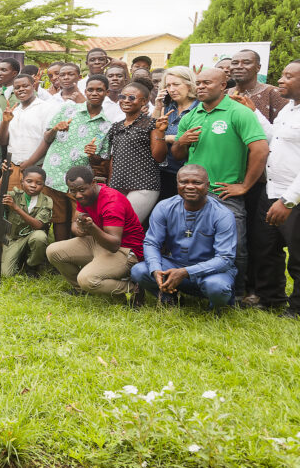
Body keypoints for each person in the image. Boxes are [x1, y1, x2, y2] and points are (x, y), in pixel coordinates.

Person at [171, 68, 268, 297]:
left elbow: (260, 150)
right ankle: (196, 288)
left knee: (236, 246)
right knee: (193, 242)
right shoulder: (191, 116)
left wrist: (244, 185)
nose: (201, 87)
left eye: (207, 82)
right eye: (198, 83)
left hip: (224, 193)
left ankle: (239, 292)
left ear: (223, 85)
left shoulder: (239, 112)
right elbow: (177, 154)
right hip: (192, 194)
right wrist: (181, 142)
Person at [128, 164, 236, 309]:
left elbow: (225, 259)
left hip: (210, 272)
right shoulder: (164, 207)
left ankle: (217, 307)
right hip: (176, 265)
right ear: (177, 184)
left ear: (207, 185)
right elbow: (151, 243)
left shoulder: (222, 215)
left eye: (196, 182)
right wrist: (156, 269)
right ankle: (170, 298)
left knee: (217, 287)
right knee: (139, 271)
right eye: (184, 182)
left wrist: (186, 272)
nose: (190, 186)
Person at [26, 75, 113, 242]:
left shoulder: (107, 124)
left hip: (79, 182)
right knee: (57, 219)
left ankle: (74, 258)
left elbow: (100, 161)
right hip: (54, 174)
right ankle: (56, 259)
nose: (94, 93)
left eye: (99, 90)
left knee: (79, 220)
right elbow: (47, 137)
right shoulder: (68, 110)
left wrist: (92, 154)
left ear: (106, 93)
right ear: (85, 91)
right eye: (90, 89)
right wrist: (55, 129)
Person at [248, 59, 300, 314]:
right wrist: (253, 112)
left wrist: (288, 200)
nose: (280, 80)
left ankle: (297, 308)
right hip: (271, 190)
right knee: (266, 247)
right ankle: (271, 300)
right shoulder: (289, 109)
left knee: (298, 256)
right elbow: (272, 137)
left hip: (293, 196)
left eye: (288, 76)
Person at [46, 166, 144, 298]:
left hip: (125, 250)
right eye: (73, 191)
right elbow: (74, 224)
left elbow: (114, 245)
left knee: (87, 279)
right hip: (98, 241)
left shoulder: (111, 202)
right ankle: (82, 289)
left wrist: (92, 228)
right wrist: (80, 228)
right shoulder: (86, 196)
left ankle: (133, 289)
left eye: (81, 190)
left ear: (93, 183)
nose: (78, 195)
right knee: (53, 251)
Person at [90, 81, 168, 223]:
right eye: (122, 97)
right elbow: (113, 158)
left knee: (128, 226)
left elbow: (159, 157)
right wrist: (111, 184)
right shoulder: (116, 126)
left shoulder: (151, 123)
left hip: (144, 185)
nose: (126, 101)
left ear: (143, 101)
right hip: (118, 184)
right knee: (111, 224)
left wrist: (160, 132)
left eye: (131, 98)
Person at [0, 74, 54, 188]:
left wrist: (30, 162)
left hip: (36, 168)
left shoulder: (46, 108)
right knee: (11, 202)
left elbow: (48, 140)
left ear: (33, 86)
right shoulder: (14, 111)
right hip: (13, 167)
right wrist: (5, 122)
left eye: (25, 86)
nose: (21, 89)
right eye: (17, 88)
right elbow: (2, 141)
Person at [0, 164, 52, 277]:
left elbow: (37, 225)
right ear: (22, 181)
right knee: (6, 274)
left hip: (32, 236)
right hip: (14, 238)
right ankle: (21, 258)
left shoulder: (47, 201)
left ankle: (32, 266)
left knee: (40, 237)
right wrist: (4, 176)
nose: (33, 185)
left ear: (43, 186)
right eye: (29, 181)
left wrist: (16, 208)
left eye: (38, 183)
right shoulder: (14, 195)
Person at [155, 67, 200, 200]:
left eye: (176, 84)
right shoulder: (168, 106)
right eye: (168, 85)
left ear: (190, 85)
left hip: (188, 173)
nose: (172, 89)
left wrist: (165, 137)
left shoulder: (199, 107)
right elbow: (152, 131)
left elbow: (194, 136)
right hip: (162, 170)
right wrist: (158, 107)